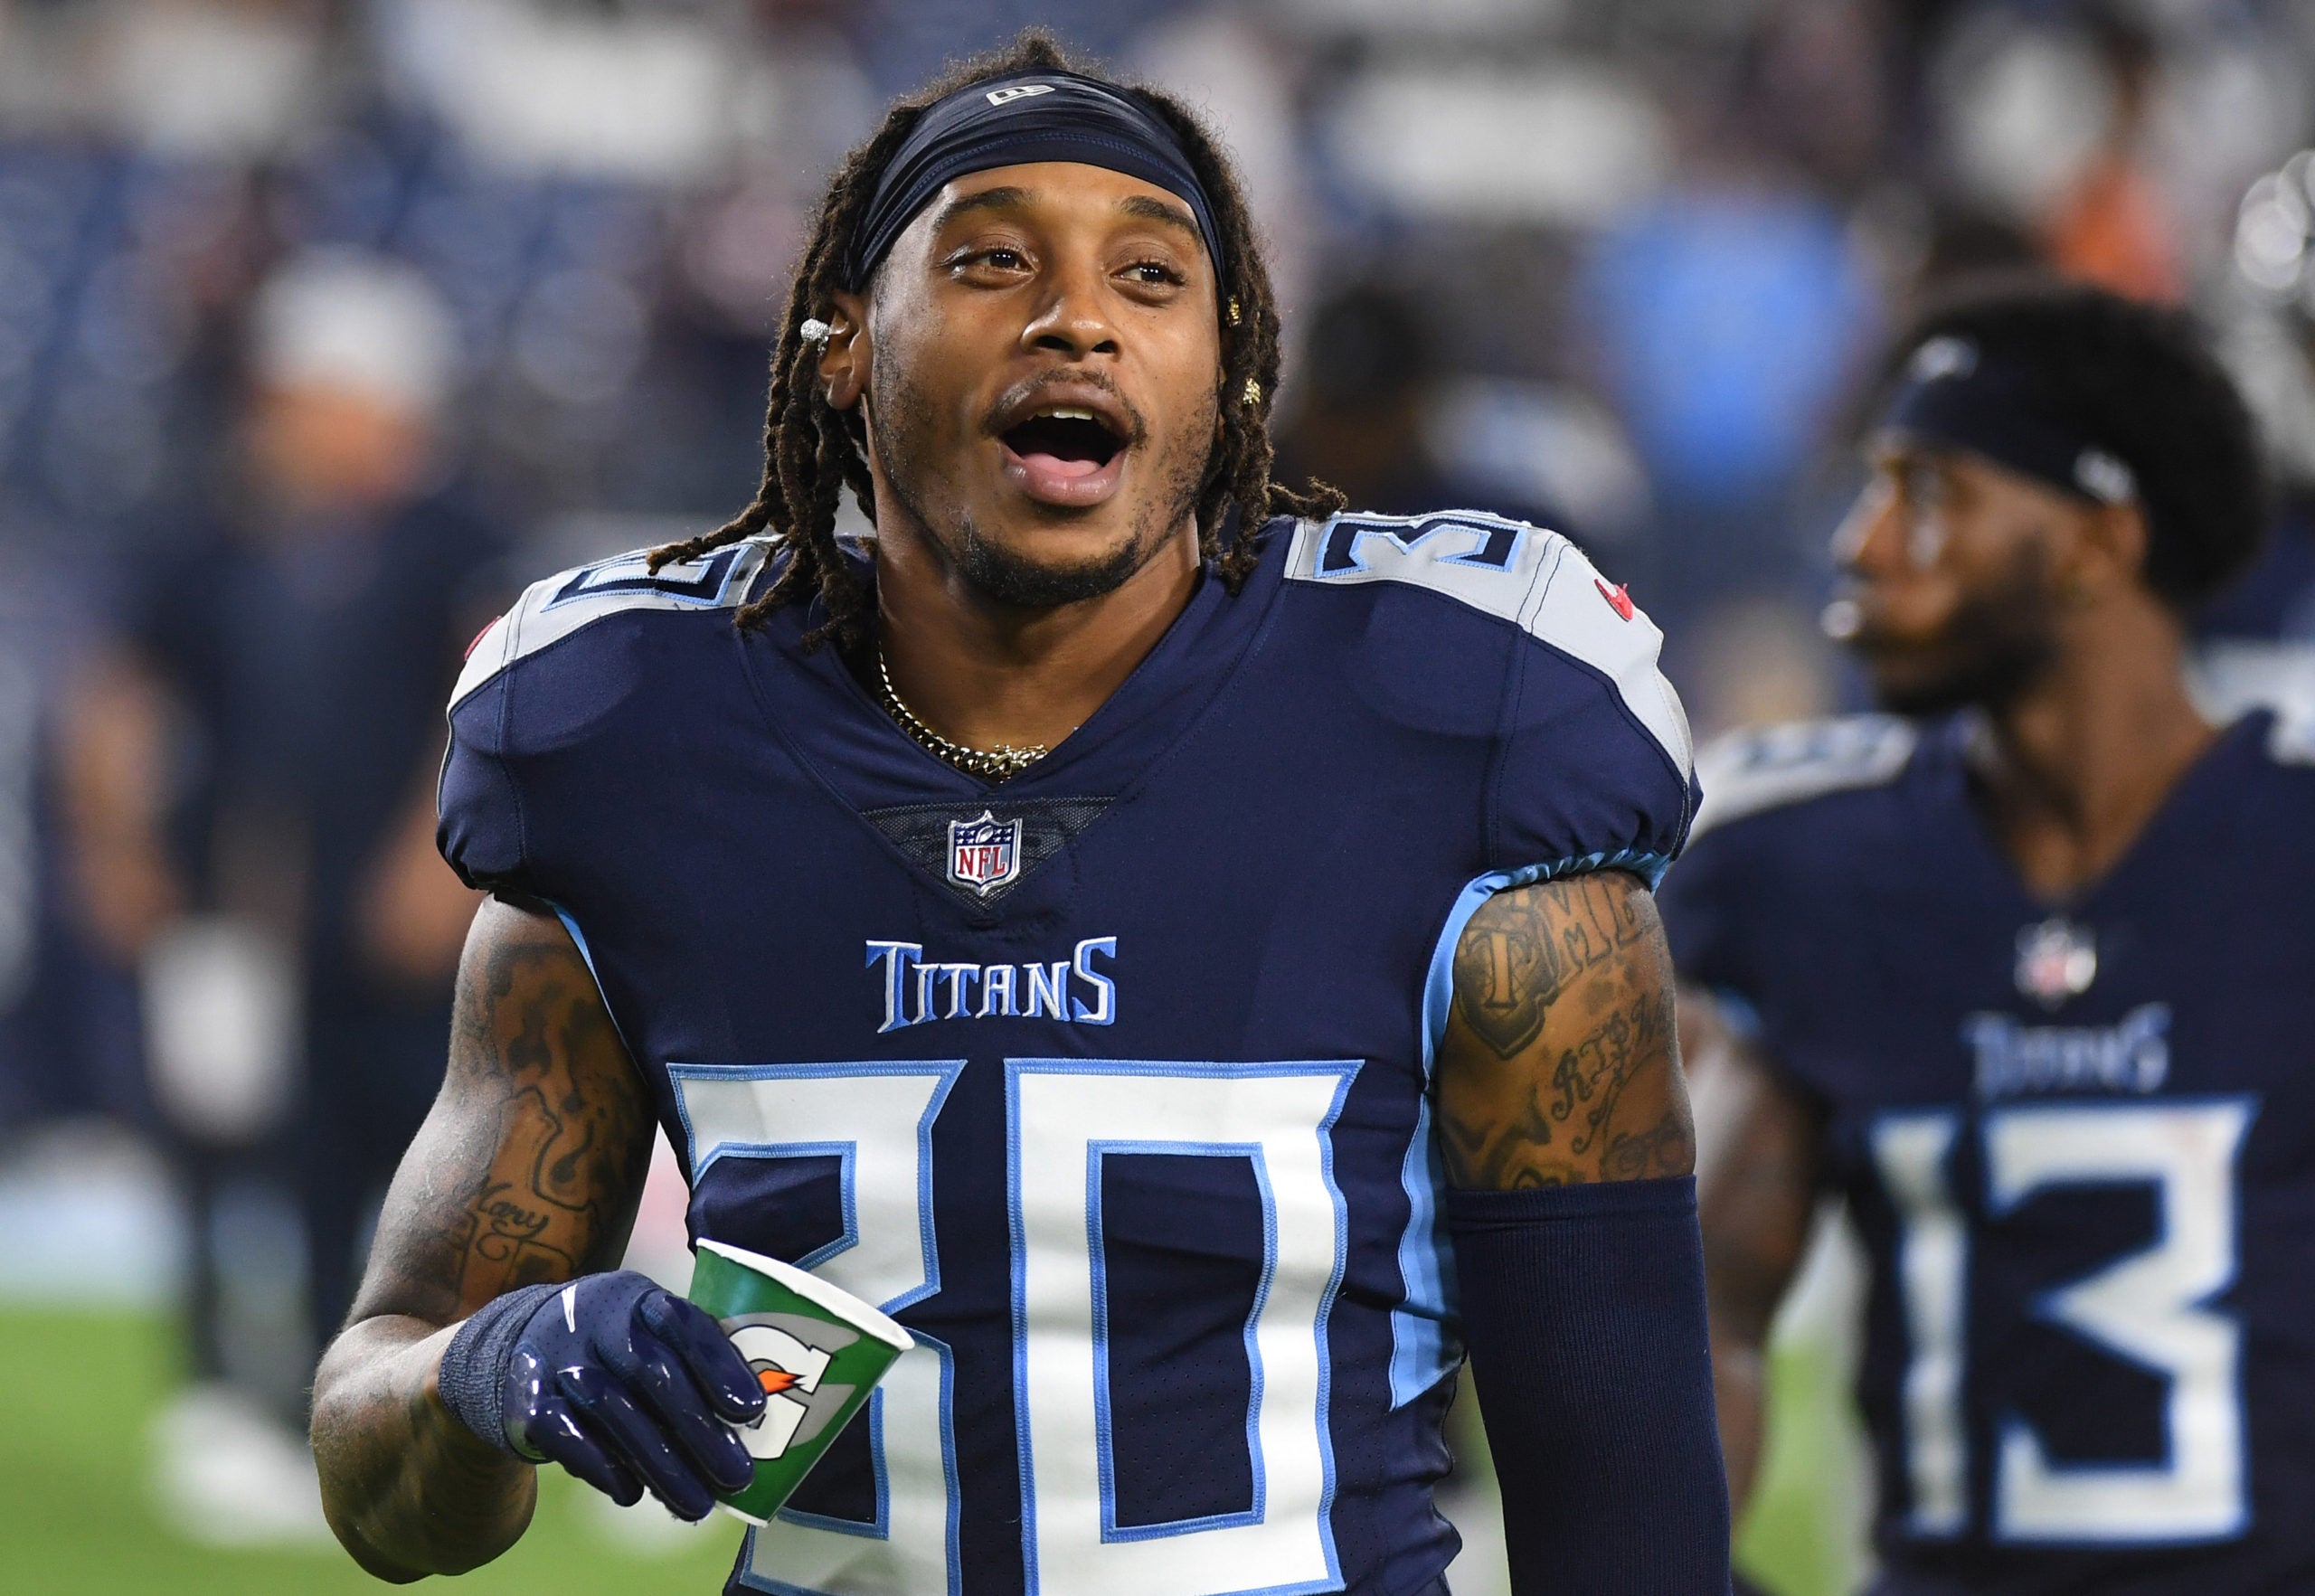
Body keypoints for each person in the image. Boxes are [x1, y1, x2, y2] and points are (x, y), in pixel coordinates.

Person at [310, 33, 1731, 1596]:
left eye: (1150, 276)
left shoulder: (1458, 728)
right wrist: (486, 1367)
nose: (1077, 316)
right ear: (842, 342)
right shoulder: (638, 740)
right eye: (992, 258)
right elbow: (387, 1495)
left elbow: (1630, 1521)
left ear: (1232, 362)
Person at [1662, 279, 2314, 1590]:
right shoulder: (1801, 865)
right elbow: (1697, 1320)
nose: (1863, 542)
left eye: (1931, 492)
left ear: (2096, 543)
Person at [61, 248, 503, 1538]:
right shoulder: (211, 535)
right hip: (229, 919)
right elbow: (116, 696)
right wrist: (115, 847)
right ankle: (224, 1392)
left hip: (389, 930)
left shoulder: (453, 538)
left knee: (395, 1163)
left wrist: (440, 859)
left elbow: (495, 701)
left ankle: (364, 1396)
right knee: (220, 1148)